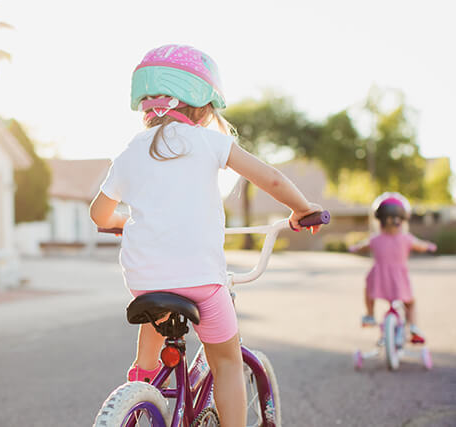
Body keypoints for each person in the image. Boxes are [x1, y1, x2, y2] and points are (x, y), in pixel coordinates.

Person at [90, 44, 322, 427]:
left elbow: (99, 212)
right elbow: (271, 179)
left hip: (145, 280)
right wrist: (302, 209)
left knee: (156, 300)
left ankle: (143, 379)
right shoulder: (209, 142)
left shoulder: (132, 150)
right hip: (202, 280)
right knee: (227, 361)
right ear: (203, 102)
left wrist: (119, 222)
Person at [349, 192, 437, 344]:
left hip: (378, 277)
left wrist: (355, 248)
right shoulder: (407, 238)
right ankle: (414, 328)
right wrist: (429, 246)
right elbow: (421, 246)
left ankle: (370, 314)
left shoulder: (375, 239)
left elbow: (363, 245)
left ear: (379, 220)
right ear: (402, 220)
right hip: (399, 279)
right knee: (410, 303)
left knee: (368, 291)